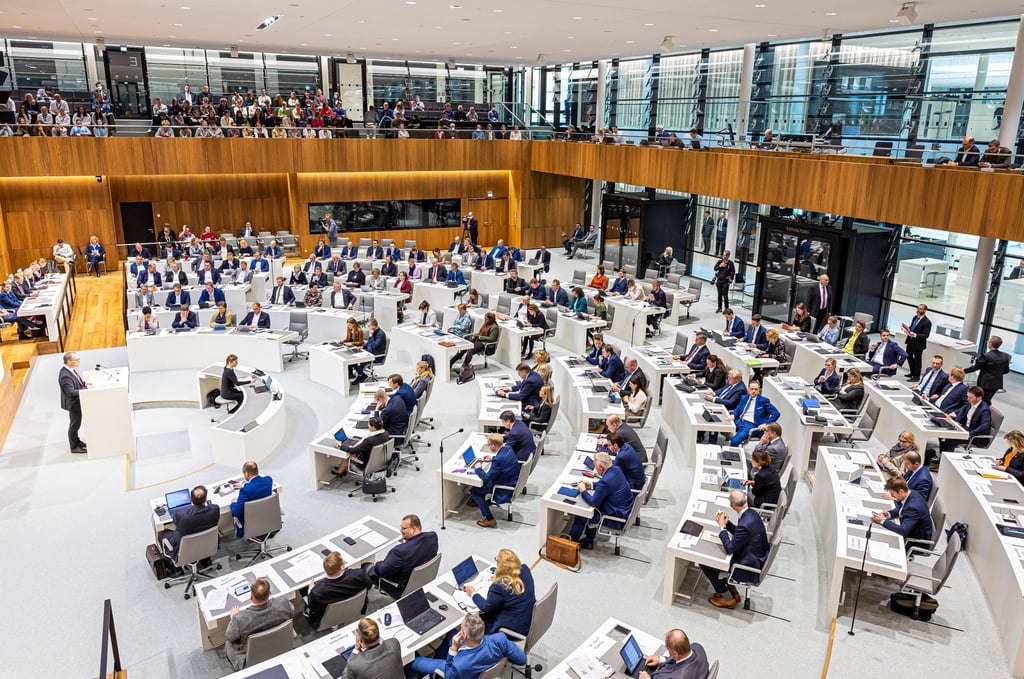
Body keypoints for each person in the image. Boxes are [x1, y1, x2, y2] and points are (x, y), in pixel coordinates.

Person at [701, 490, 769, 609]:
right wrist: (727, 524)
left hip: (746, 565)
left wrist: (722, 528)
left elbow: (729, 548)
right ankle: (734, 593)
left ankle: (728, 599)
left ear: (731, 505)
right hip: (754, 557)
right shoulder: (752, 513)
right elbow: (741, 534)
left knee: (705, 562)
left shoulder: (745, 523)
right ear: (746, 499)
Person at [406, 613, 527, 678]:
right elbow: (522, 660)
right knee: (450, 632)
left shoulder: (459, 666)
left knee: (411, 661)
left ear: (464, 635)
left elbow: (448, 675)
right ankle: (439, 655)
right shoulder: (499, 639)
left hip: (451, 668)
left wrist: (453, 649)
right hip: (471, 663)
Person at [567, 452, 635, 548]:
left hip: (614, 519)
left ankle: (570, 545)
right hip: (623, 511)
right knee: (594, 508)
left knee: (582, 514)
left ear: (601, 467)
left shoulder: (605, 481)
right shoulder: (616, 469)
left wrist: (583, 490)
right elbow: (607, 484)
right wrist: (591, 485)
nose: (595, 469)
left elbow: (593, 502)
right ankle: (589, 540)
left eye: (595, 466)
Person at [224, 577, 294, 671]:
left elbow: (229, 636)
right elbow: (291, 612)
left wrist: (233, 618)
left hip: (252, 656)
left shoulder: (240, 619)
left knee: (229, 644)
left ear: (251, 597)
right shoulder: (284, 604)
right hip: (280, 645)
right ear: (270, 593)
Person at [366, 514, 439, 598]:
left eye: (404, 528)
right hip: (423, 579)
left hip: (401, 587)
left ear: (414, 529)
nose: (401, 531)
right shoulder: (432, 536)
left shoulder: (399, 552)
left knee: (367, 568)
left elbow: (383, 571)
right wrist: (407, 542)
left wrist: (378, 564)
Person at [301, 550, 372, 630]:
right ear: (342, 567)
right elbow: (368, 586)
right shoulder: (359, 574)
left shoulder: (318, 591)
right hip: (356, 609)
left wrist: (310, 590)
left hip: (328, 618)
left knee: (303, 589)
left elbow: (313, 607)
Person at [468, 433, 521, 527]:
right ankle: (482, 502)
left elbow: (486, 477)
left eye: (488, 444)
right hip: (512, 480)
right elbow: (503, 460)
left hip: (503, 486)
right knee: (479, 488)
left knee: (474, 491)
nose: (488, 446)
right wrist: (492, 459)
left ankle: (489, 519)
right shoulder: (508, 448)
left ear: (494, 445)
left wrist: (478, 468)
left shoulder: (498, 461)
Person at [158, 485, 219, 563]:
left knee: (162, 533)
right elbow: (210, 507)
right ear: (205, 499)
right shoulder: (215, 509)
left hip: (185, 549)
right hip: (206, 546)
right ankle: (205, 560)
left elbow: (175, 522)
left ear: (191, 499)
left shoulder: (181, 515)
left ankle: (173, 568)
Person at [872, 477, 932, 545]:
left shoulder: (913, 507)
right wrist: (888, 514)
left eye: (892, 494)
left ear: (901, 491)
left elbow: (903, 530)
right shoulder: (911, 493)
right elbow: (902, 507)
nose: (892, 496)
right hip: (910, 529)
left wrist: (882, 521)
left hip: (915, 541)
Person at [637, 628, 710, 679]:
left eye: (669, 650)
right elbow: (681, 655)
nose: (668, 652)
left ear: (676, 654)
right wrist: (660, 660)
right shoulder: (698, 647)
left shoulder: (678, 677)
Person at [941, 385, 992, 453]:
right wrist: (952, 414)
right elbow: (962, 409)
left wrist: (970, 433)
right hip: (964, 428)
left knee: (950, 438)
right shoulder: (971, 402)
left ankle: (945, 457)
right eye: (968, 396)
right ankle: (942, 455)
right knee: (943, 432)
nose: (968, 399)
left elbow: (985, 426)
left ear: (979, 398)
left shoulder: (984, 410)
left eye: (970, 397)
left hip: (974, 435)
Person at [729, 381, 780, 446]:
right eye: (751, 389)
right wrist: (733, 414)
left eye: (755, 389)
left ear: (759, 390)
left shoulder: (763, 401)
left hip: (749, 425)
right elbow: (738, 409)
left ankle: (733, 455)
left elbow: (776, 413)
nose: (753, 391)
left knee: (734, 441)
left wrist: (766, 424)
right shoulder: (744, 398)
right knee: (718, 426)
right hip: (739, 421)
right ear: (748, 389)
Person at [230, 460, 273, 538]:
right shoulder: (268, 480)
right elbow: (257, 487)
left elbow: (237, 511)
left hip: (252, 523)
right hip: (267, 518)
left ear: (246, 473)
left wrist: (233, 503)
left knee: (235, 508)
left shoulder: (245, 491)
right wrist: (244, 485)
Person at [964, 335, 1011, 404]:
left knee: (980, 402)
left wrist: (963, 371)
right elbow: (1006, 370)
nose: (987, 343)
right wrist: (996, 373)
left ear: (991, 344)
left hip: (985, 383)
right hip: (996, 384)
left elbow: (975, 367)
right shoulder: (1006, 357)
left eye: (988, 341)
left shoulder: (986, 356)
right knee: (987, 401)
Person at [58, 352, 88, 454]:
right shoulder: (65, 376)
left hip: (77, 402)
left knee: (76, 424)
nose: (78, 362)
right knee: (74, 425)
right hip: (74, 404)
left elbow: (76, 383)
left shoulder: (70, 370)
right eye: (76, 360)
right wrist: (85, 390)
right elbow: (70, 392)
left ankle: (77, 441)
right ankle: (74, 446)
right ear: (69, 362)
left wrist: (84, 384)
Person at [901, 303, 932, 381]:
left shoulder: (927, 322)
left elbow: (926, 335)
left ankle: (916, 376)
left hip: (918, 344)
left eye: (921, 309)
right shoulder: (915, 317)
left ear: (925, 310)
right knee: (909, 356)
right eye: (918, 308)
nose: (918, 310)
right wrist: (906, 330)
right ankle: (912, 372)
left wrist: (915, 335)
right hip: (910, 341)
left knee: (918, 360)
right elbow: (912, 327)